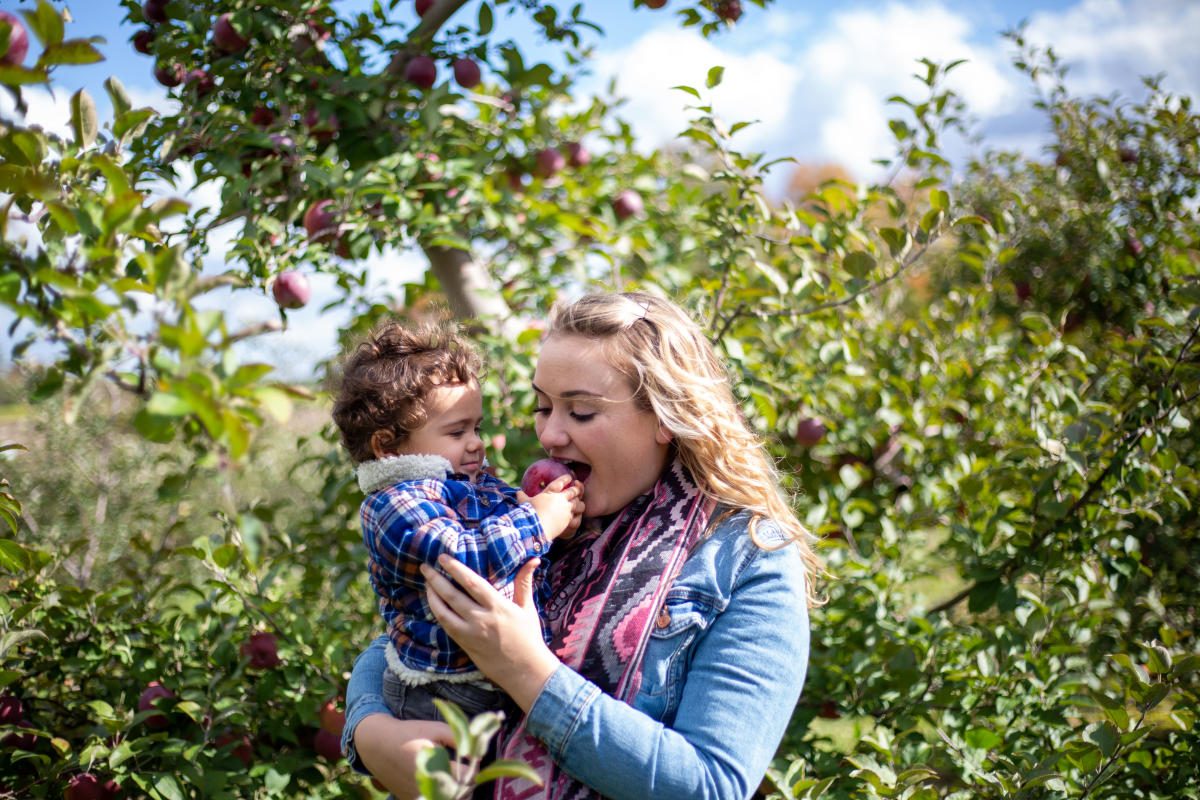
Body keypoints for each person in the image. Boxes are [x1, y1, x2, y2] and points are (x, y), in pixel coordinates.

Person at [341, 293, 823, 800]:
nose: (550, 435)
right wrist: (369, 731)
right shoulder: (540, 517)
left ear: (666, 416)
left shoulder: (747, 559)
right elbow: (413, 618)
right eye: (543, 407)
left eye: (582, 412)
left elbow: (711, 785)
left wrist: (525, 671)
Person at [331, 322, 584, 726]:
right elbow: (462, 562)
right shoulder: (395, 505)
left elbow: (511, 527)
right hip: (441, 692)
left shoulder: (470, 482)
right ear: (388, 447)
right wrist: (537, 522)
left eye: (476, 428)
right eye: (456, 431)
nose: (476, 443)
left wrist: (553, 520)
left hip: (487, 678)